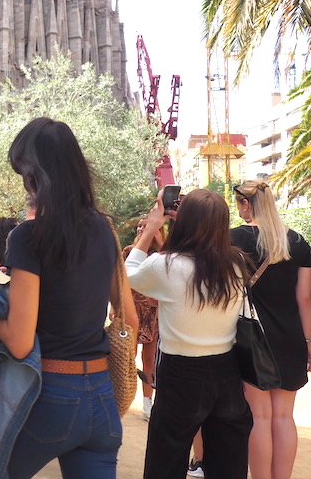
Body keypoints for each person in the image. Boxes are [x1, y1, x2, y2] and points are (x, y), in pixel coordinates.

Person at [0, 117, 137, 478]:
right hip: (101, 396)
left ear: (34, 175)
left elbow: (20, 343)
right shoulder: (103, 228)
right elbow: (129, 319)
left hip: (50, 392)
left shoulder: (28, 237)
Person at [126, 188, 252, 479]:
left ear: (183, 222)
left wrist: (152, 228)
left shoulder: (167, 265)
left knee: (165, 460)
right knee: (228, 461)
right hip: (226, 369)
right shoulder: (236, 263)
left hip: (180, 372)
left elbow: (129, 273)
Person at [231, 180, 311, 479]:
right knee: (284, 416)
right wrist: (308, 340)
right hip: (291, 337)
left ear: (246, 204)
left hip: (252, 338)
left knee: (260, 417)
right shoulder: (298, 242)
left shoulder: (234, 239)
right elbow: (305, 298)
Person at [121, 217, 164, 423]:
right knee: (127, 357)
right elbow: (120, 281)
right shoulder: (129, 252)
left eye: (145, 226)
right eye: (139, 226)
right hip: (132, 311)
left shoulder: (161, 255)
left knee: (150, 361)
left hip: (154, 314)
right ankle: (122, 397)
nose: (140, 229)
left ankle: (148, 402)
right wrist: (117, 307)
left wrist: (161, 244)